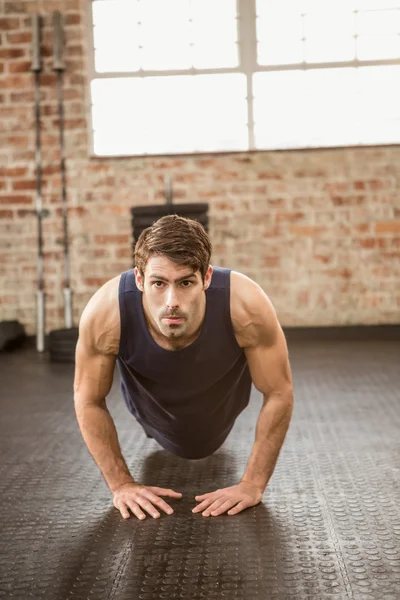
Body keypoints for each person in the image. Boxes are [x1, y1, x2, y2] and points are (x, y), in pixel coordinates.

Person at [74, 215, 294, 521]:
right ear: (139, 279)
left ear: (206, 278)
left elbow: (279, 392)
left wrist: (252, 485)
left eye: (186, 282)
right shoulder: (105, 313)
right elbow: (87, 399)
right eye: (158, 283)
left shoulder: (246, 305)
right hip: (150, 415)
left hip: (222, 414)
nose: (172, 301)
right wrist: (121, 485)